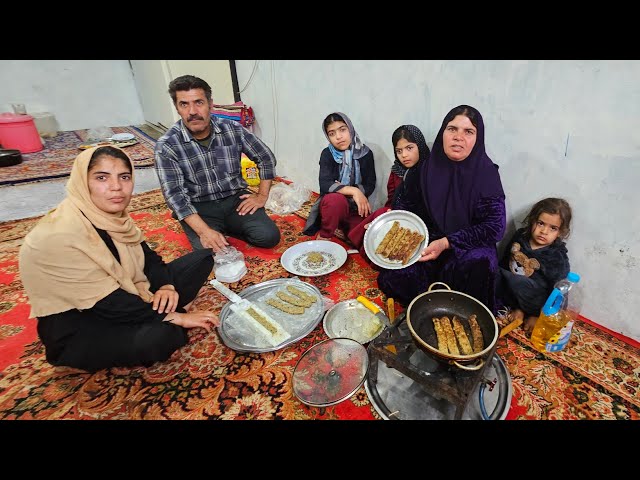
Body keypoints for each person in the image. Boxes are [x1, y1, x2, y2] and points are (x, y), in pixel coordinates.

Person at [19, 146, 218, 373]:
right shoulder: (57, 236)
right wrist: (177, 318)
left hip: (130, 293)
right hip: (85, 325)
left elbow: (149, 259)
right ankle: (76, 361)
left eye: (124, 177)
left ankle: (158, 315)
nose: (116, 187)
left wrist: (166, 285)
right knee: (163, 337)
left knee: (202, 259)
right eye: (102, 177)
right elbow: (109, 303)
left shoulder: (114, 219)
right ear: (83, 182)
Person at [377, 105, 506, 313]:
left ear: (477, 138)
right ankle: (428, 305)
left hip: (465, 246)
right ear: (443, 133)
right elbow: (404, 207)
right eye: (452, 129)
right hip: (428, 242)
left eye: (468, 131)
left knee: (480, 262)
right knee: (394, 274)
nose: (458, 137)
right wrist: (386, 226)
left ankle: (459, 312)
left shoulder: (486, 173)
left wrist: (447, 243)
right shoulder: (426, 168)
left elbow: (494, 227)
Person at [154, 74, 280, 252]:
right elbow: (175, 196)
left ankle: (229, 226)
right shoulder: (167, 145)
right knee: (209, 253)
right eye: (184, 104)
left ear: (210, 104)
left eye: (199, 102)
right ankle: (214, 229)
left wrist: (261, 196)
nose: (192, 111)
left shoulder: (232, 129)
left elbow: (265, 157)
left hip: (235, 201)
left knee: (269, 237)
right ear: (177, 107)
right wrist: (204, 231)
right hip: (199, 207)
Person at [346, 124, 430, 254]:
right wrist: (388, 215)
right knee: (382, 214)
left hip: (420, 223)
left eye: (409, 148)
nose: (404, 155)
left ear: (420, 146)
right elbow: (391, 199)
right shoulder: (397, 171)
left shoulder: (430, 171)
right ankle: (366, 246)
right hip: (397, 215)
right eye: (399, 151)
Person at [496, 197, 572, 334]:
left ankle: (527, 313)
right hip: (510, 288)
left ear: (560, 232)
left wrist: (540, 316)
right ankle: (517, 309)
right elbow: (504, 261)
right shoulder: (520, 236)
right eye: (541, 223)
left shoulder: (556, 256)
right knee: (492, 271)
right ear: (532, 221)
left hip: (534, 300)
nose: (544, 231)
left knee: (522, 283)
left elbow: (560, 292)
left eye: (553, 228)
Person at [302, 112, 376, 240]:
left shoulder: (365, 153)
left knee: (363, 236)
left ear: (350, 129)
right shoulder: (327, 154)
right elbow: (325, 184)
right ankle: (325, 234)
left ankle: (344, 224)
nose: (338, 137)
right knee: (335, 201)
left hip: (355, 206)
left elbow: (370, 183)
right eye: (332, 133)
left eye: (342, 130)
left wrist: (345, 190)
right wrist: (354, 190)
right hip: (334, 205)